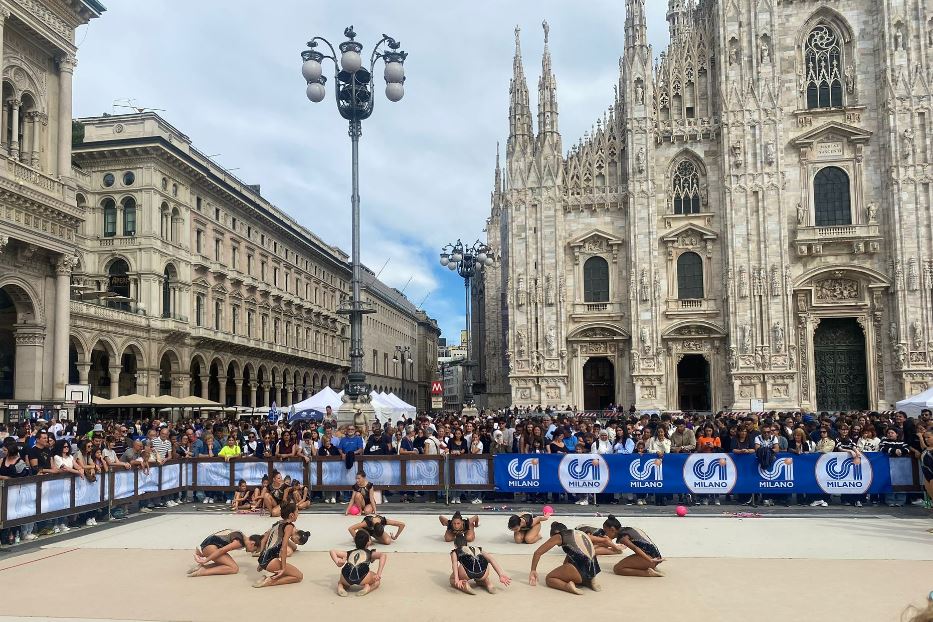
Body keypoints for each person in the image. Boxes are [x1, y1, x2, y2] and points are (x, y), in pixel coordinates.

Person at [529, 522, 603, 595]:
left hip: (580, 569)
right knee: (571, 570)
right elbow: (574, 553)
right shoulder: (576, 533)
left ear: (554, 534)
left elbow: (538, 553)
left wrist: (533, 570)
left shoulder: (558, 536)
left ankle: (567, 586)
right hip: (593, 569)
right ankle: (588, 582)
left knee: (549, 579)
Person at [253, 501, 303, 588]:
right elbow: (283, 548)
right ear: (291, 515)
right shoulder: (289, 526)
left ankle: (266, 578)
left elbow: (263, 540)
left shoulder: (278, 523)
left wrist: (261, 560)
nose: (298, 514)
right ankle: (270, 581)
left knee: (290, 573)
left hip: (263, 559)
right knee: (298, 576)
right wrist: (283, 568)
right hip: (270, 561)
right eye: (297, 512)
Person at [330, 529, 388, 597]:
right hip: (362, 578)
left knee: (341, 582)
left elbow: (332, 551)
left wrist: (337, 562)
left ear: (355, 541)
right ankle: (368, 587)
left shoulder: (348, 553)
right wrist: (378, 574)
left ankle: (340, 586)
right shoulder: (370, 553)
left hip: (345, 576)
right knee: (377, 582)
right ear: (368, 542)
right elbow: (383, 555)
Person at [187, 529, 261, 577]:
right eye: (255, 550)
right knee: (234, 568)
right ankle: (203, 571)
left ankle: (201, 567)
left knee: (227, 564)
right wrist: (205, 560)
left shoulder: (240, 535)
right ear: (252, 543)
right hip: (209, 547)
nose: (252, 552)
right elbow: (222, 550)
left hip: (206, 546)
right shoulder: (239, 541)